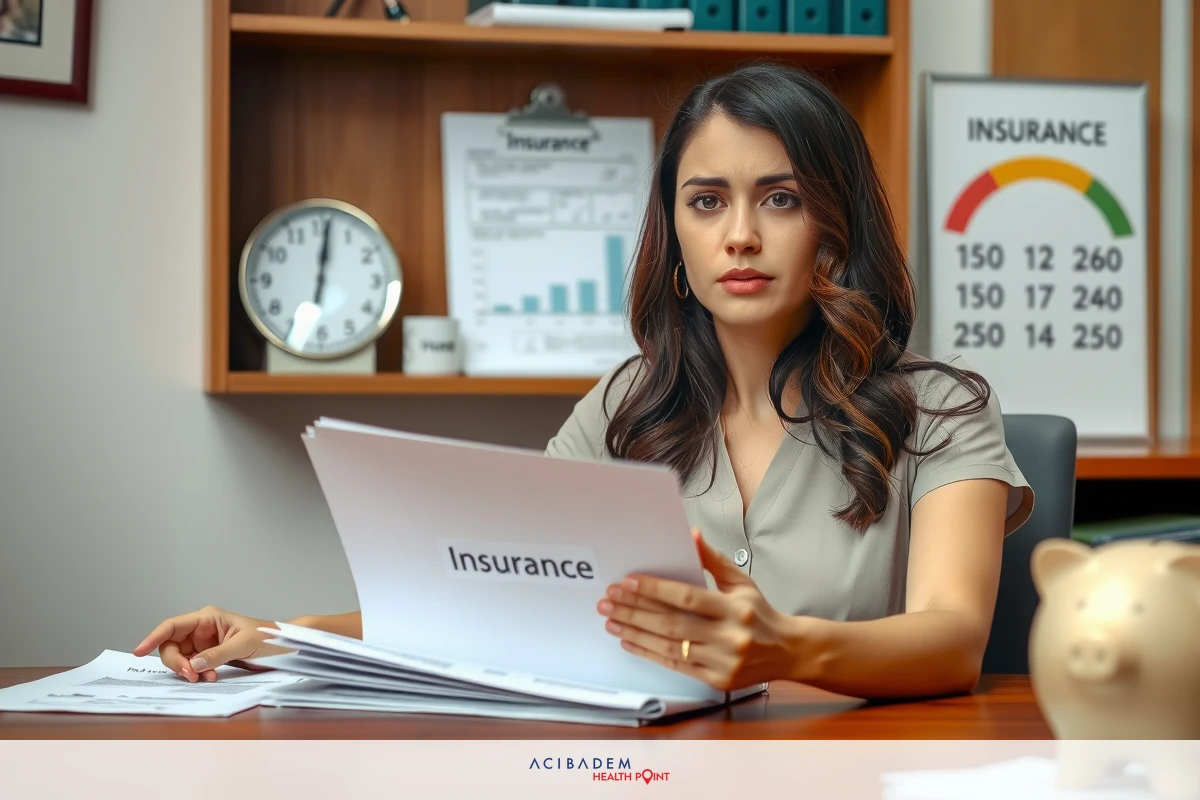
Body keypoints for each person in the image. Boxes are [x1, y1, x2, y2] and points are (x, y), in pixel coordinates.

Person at [135, 63, 1034, 700]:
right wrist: (283, 638)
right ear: (674, 233)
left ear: (836, 228)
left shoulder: (942, 406)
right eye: (707, 200)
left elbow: (953, 640)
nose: (741, 235)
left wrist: (785, 648)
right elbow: (493, 601)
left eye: (783, 198)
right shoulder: (623, 407)